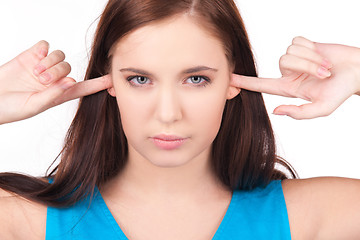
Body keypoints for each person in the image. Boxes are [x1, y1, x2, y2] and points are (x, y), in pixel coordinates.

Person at [0, 0, 359, 239]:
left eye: (196, 79)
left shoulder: (311, 216)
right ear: (108, 82)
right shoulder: (24, 219)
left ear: (234, 81)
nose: (168, 113)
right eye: (139, 79)